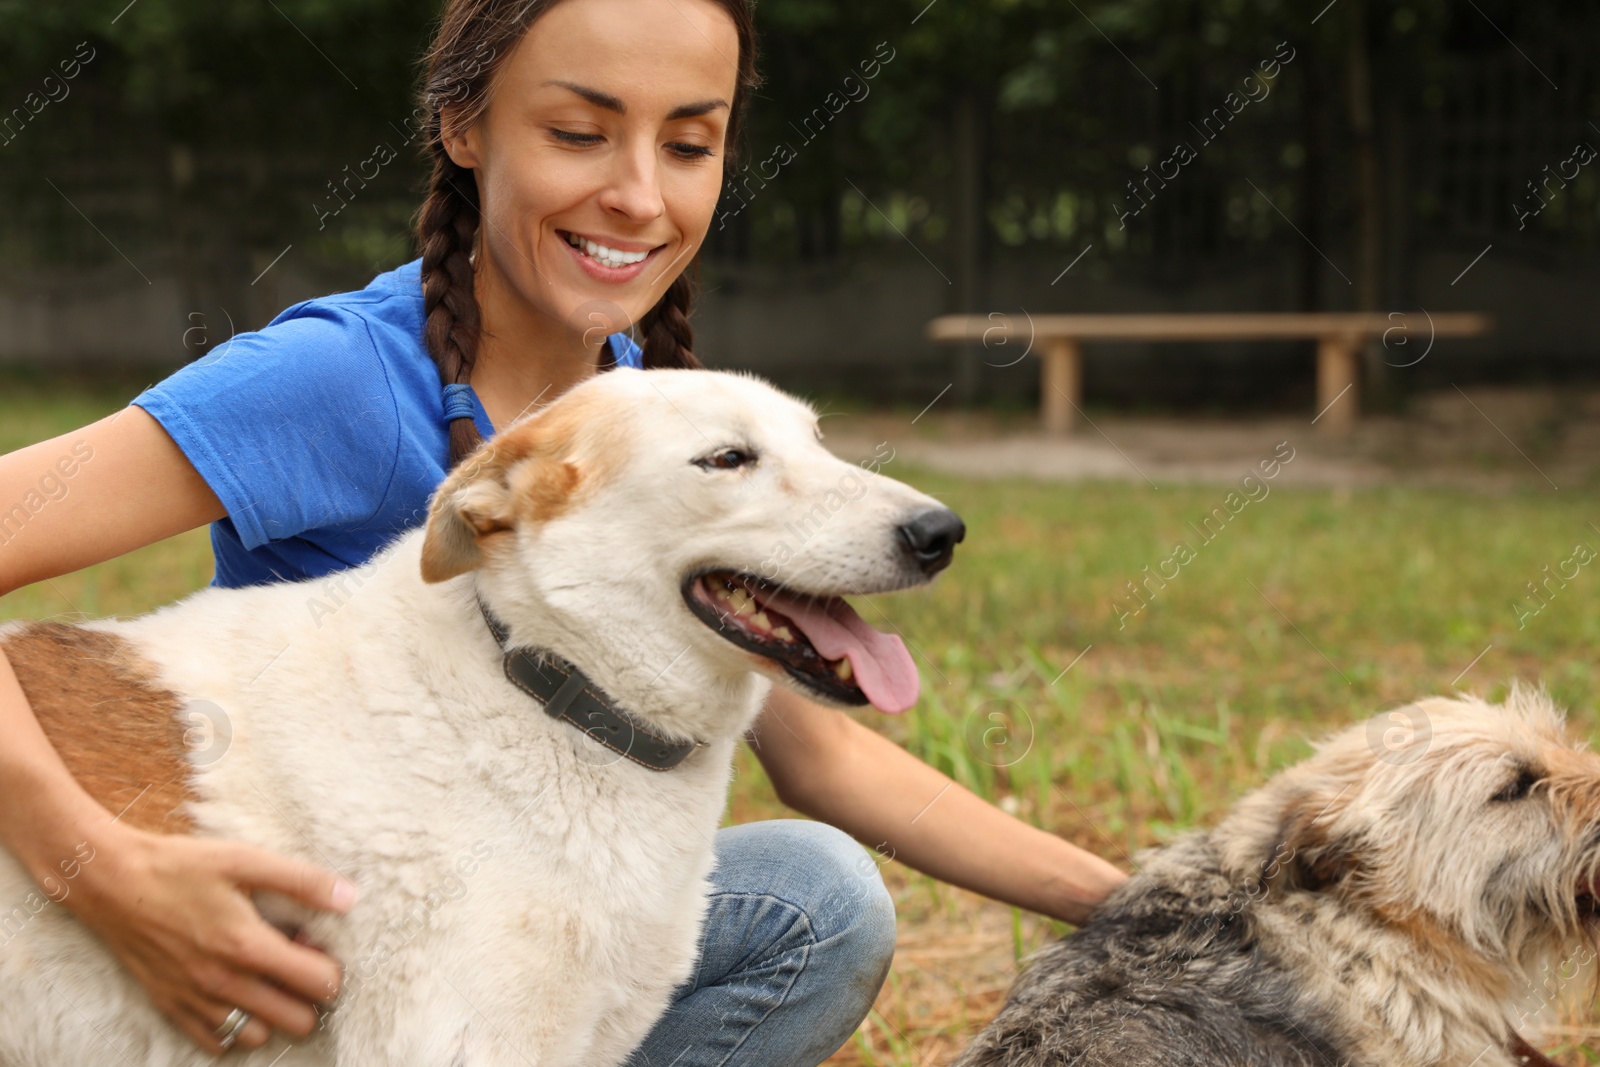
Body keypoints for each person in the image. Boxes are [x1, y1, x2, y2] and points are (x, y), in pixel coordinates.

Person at [0, 0, 1127, 1062]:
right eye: (581, 132)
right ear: (464, 126)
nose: (639, 195)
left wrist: (1142, 907)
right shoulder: (338, 375)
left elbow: (817, 749)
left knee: (815, 903)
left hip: (504, 911)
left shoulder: (643, 404)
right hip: (316, 919)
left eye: (689, 145)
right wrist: (100, 873)